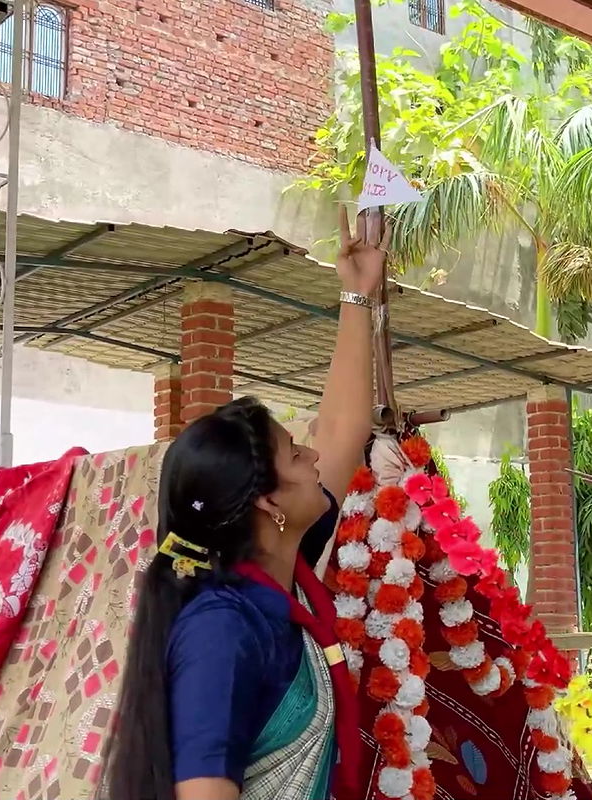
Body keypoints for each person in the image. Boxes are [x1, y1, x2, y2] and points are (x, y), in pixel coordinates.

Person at [109, 210, 388, 800]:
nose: (314, 456)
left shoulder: (281, 581)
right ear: (267, 502)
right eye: (294, 453)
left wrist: (357, 294)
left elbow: (343, 426)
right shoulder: (223, 628)